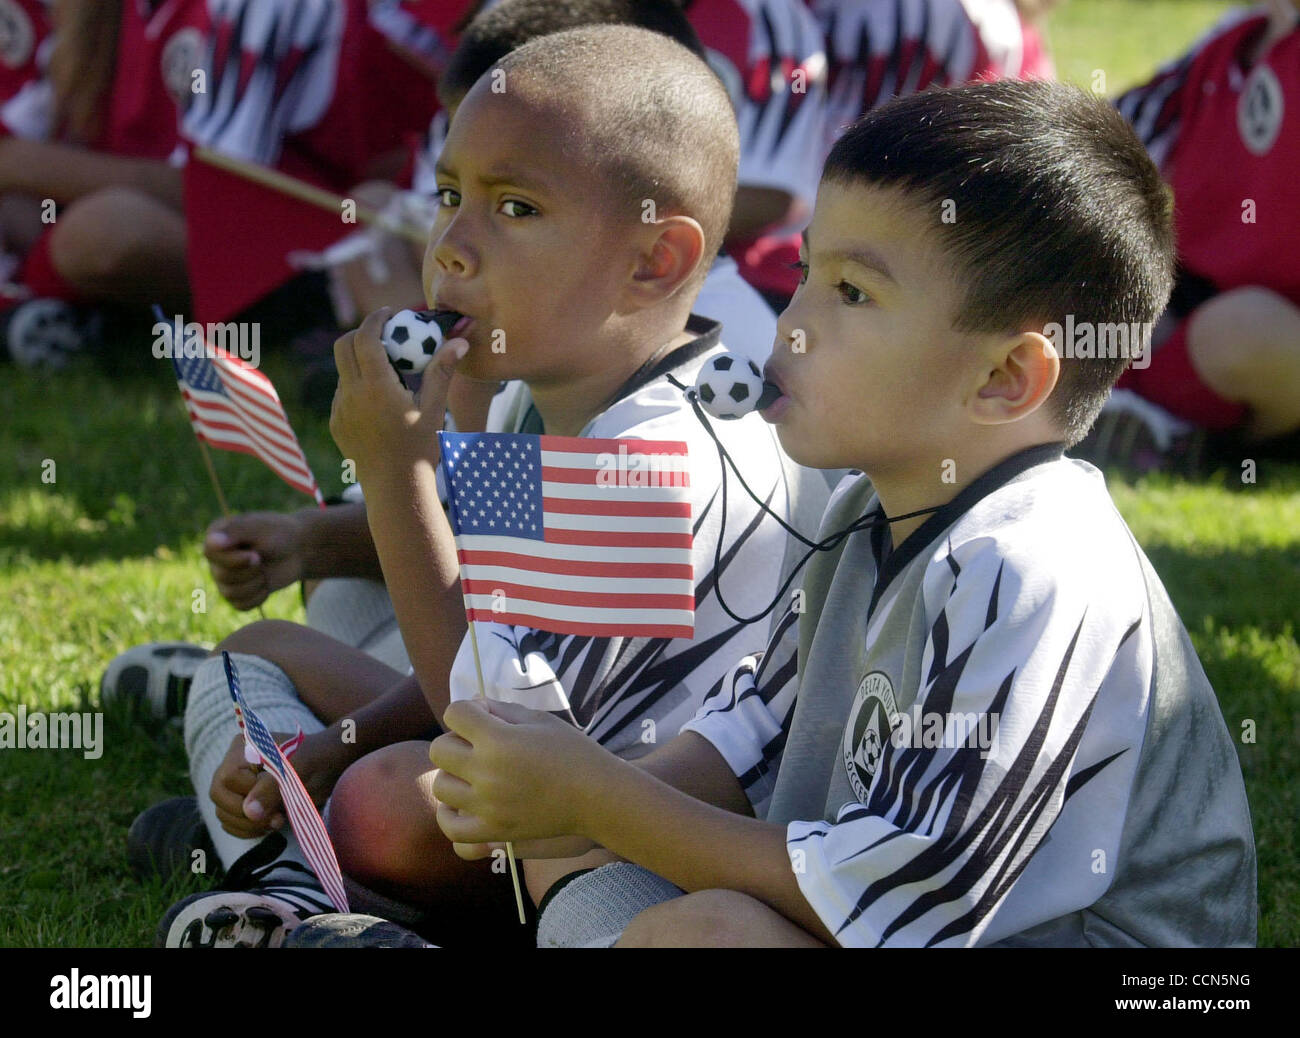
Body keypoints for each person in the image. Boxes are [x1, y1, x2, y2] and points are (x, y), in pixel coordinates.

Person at [406, 79, 1257, 948]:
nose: (792, 325)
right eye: (807, 273)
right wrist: (565, 804)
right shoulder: (862, 511)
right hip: (854, 902)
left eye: (852, 294)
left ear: (1004, 379)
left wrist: (594, 796)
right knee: (576, 851)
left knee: (711, 932)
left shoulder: (1031, 565)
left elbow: (912, 900)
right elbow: (750, 734)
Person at [142, 23, 827, 947]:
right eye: (451, 194)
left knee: (388, 802)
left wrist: (396, 471)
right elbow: (487, 615)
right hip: (524, 749)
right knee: (274, 641)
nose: (452, 246)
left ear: (654, 260)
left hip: (626, 834)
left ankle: (287, 882)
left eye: (516, 209)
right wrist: (334, 744)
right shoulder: (544, 396)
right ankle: (294, 862)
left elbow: (476, 705)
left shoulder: (654, 461)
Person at [1110, 0, 1300, 449]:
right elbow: (1111, 142)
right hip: (1186, 299)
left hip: (1274, 332)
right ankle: (1131, 409)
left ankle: (1161, 428)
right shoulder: (1232, 40)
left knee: (1242, 329)